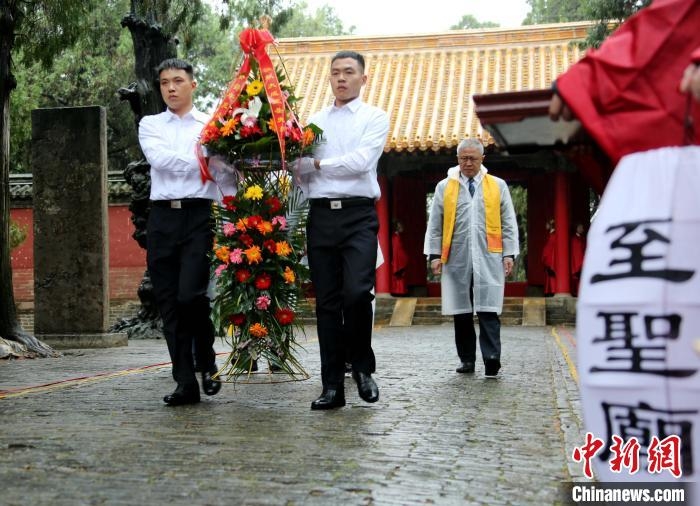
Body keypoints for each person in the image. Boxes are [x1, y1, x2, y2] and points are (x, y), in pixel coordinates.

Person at [294, 50, 389, 410]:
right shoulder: (313, 123)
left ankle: (362, 368)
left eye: (349, 72)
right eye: (335, 72)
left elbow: (361, 163)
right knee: (327, 303)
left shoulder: (374, 117)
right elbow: (300, 170)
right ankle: (331, 385)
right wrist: (314, 167)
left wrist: (319, 164)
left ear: (363, 79)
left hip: (358, 216)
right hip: (321, 216)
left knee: (356, 293)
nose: (341, 78)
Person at [138, 58, 235, 406]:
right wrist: (203, 159)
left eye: (178, 81)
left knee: (191, 296)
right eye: (164, 82)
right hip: (163, 219)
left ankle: (206, 360)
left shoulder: (212, 124)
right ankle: (185, 382)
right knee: (169, 305)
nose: (171, 88)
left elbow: (226, 174)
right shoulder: (150, 124)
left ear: (193, 85)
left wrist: (211, 165)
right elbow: (160, 159)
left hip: (198, 217)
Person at [424, 138, 519, 378]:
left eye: (472, 159)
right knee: (462, 311)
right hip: (456, 256)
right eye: (463, 158)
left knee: (488, 308)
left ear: (482, 160)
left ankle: (491, 358)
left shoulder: (497, 185)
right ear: (457, 159)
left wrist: (508, 254)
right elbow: (435, 224)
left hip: (490, 256)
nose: (467, 163)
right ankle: (466, 359)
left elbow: (508, 222)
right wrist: (435, 255)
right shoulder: (445, 186)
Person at [391, 221, 409, 296]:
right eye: (401, 226)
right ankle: (398, 292)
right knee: (398, 277)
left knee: (401, 277)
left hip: (399, 260)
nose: (402, 228)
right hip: (397, 261)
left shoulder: (397, 237)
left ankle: (401, 292)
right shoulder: (395, 237)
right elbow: (396, 250)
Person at [569, 222, 586, 297]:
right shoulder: (574, 240)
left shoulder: (582, 239)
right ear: (576, 229)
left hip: (583, 261)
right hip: (578, 262)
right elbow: (577, 253)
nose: (582, 229)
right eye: (580, 227)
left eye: (582, 227)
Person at [541, 219, 557, 297]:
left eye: (547, 224)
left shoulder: (553, 236)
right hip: (549, 259)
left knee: (552, 276)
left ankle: (552, 291)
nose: (546, 226)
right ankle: (550, 291)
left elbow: (549, 250)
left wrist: (545, 259)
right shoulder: (551, 235)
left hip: (551, 260)